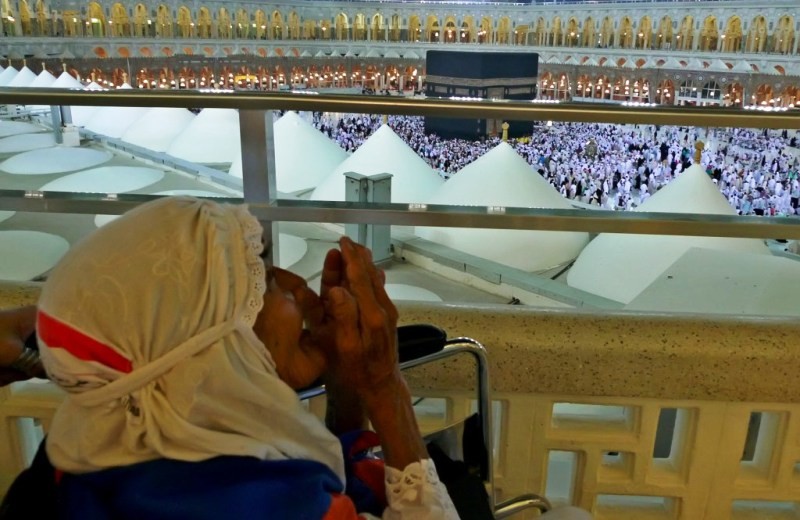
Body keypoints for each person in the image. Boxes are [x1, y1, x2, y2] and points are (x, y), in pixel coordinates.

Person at [0, 196, 458, 519]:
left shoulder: (78, 454)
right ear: (205, 344)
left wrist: (343, 381)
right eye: (264, 282)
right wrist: (384, 388)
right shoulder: (274, 504)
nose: (299, 289)